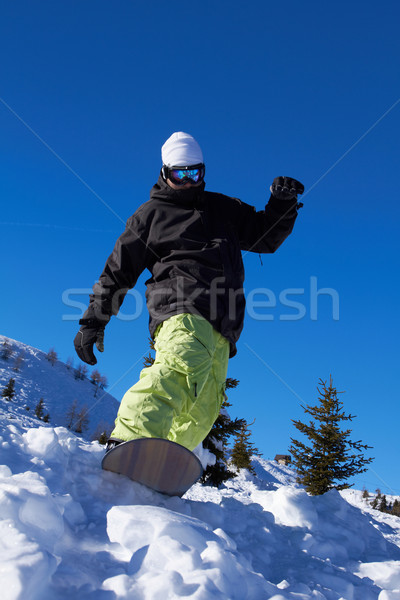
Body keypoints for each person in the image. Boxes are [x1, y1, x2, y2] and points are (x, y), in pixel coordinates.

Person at [74, 131, 304, 452]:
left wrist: (282, 204)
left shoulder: (222, 208)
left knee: (203, 409)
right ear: (165, 173)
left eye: (193, 173)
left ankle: (164, 463)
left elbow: (263, 237)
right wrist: (93, 322)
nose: (187, 182)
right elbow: (118, 270)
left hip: (223, 328)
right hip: (181, 309)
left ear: (203, 171)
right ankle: (130, 441)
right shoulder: (150, 215)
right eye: (179, 175)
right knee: (175, 374)